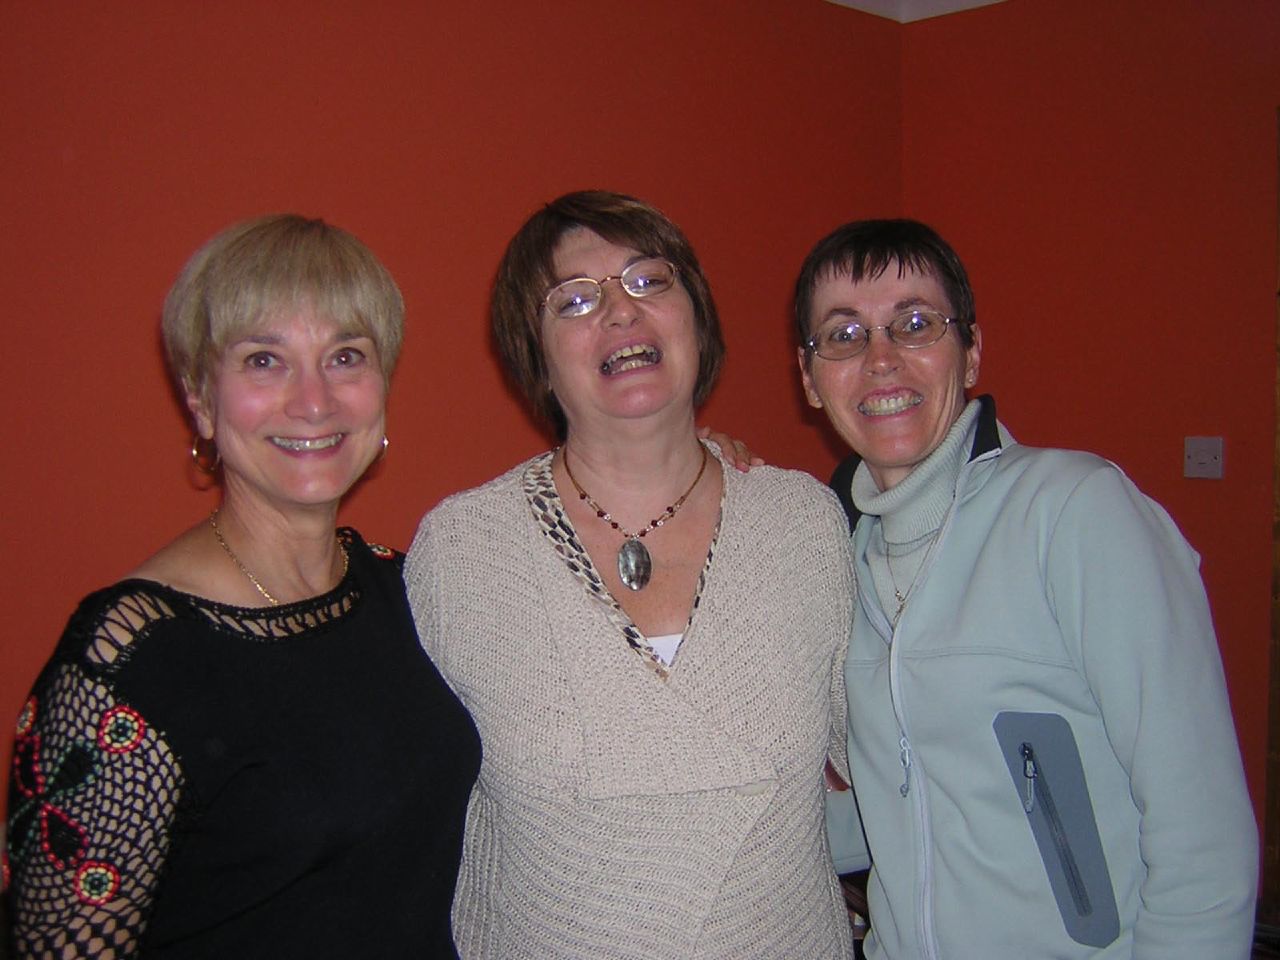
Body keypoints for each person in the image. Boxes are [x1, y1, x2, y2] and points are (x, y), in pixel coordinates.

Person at [2, 215, 481, 958]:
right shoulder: (129, 657)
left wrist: (693, 467)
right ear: (200, 399)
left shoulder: (402, 588)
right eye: (265, 360)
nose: (314, 401)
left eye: (345, 356)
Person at [402, 190, 855, 959]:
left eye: (650, 281)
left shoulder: (804, 524)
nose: (620, 312)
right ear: (535, 359)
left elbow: (899, 752)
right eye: (574, 301)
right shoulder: (461, 552)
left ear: (698, 322)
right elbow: (408, 814)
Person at [797, 218, 1258, 958]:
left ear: (971, 350)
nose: (881, 360)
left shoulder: (1075, 512)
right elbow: (910, 805)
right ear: (810, 378)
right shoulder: (836, 557)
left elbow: (1202, 835)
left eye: (915, 324)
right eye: (844, 336)